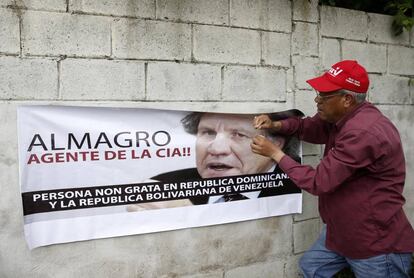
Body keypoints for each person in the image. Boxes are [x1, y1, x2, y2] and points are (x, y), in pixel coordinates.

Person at [251, 60, 414, 277]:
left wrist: (275, 153)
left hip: (374, 244)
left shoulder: (363, 132)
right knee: (311, 267)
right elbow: (308, 126)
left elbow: (319, 181)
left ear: (347, 99)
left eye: (324, 95)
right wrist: (276, 124)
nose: (317, 99)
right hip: (342, 232)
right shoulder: (342, 117)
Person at [128, 111, 302, 211]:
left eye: (239, 135)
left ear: (275, 144)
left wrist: (189, 217)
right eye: (208, 132)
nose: (216, 149)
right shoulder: (164, 185)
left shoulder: (300, 185)